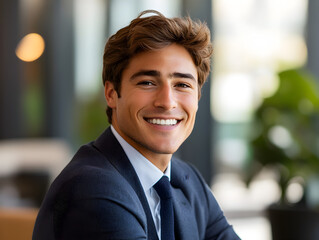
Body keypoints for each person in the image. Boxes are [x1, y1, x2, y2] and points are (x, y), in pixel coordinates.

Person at [32, 10, 240, 240]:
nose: (167, 102)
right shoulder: (92, 188)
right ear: (111, 94)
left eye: (182, 84)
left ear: (198, 97)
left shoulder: (187, 181)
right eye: (148, 82)